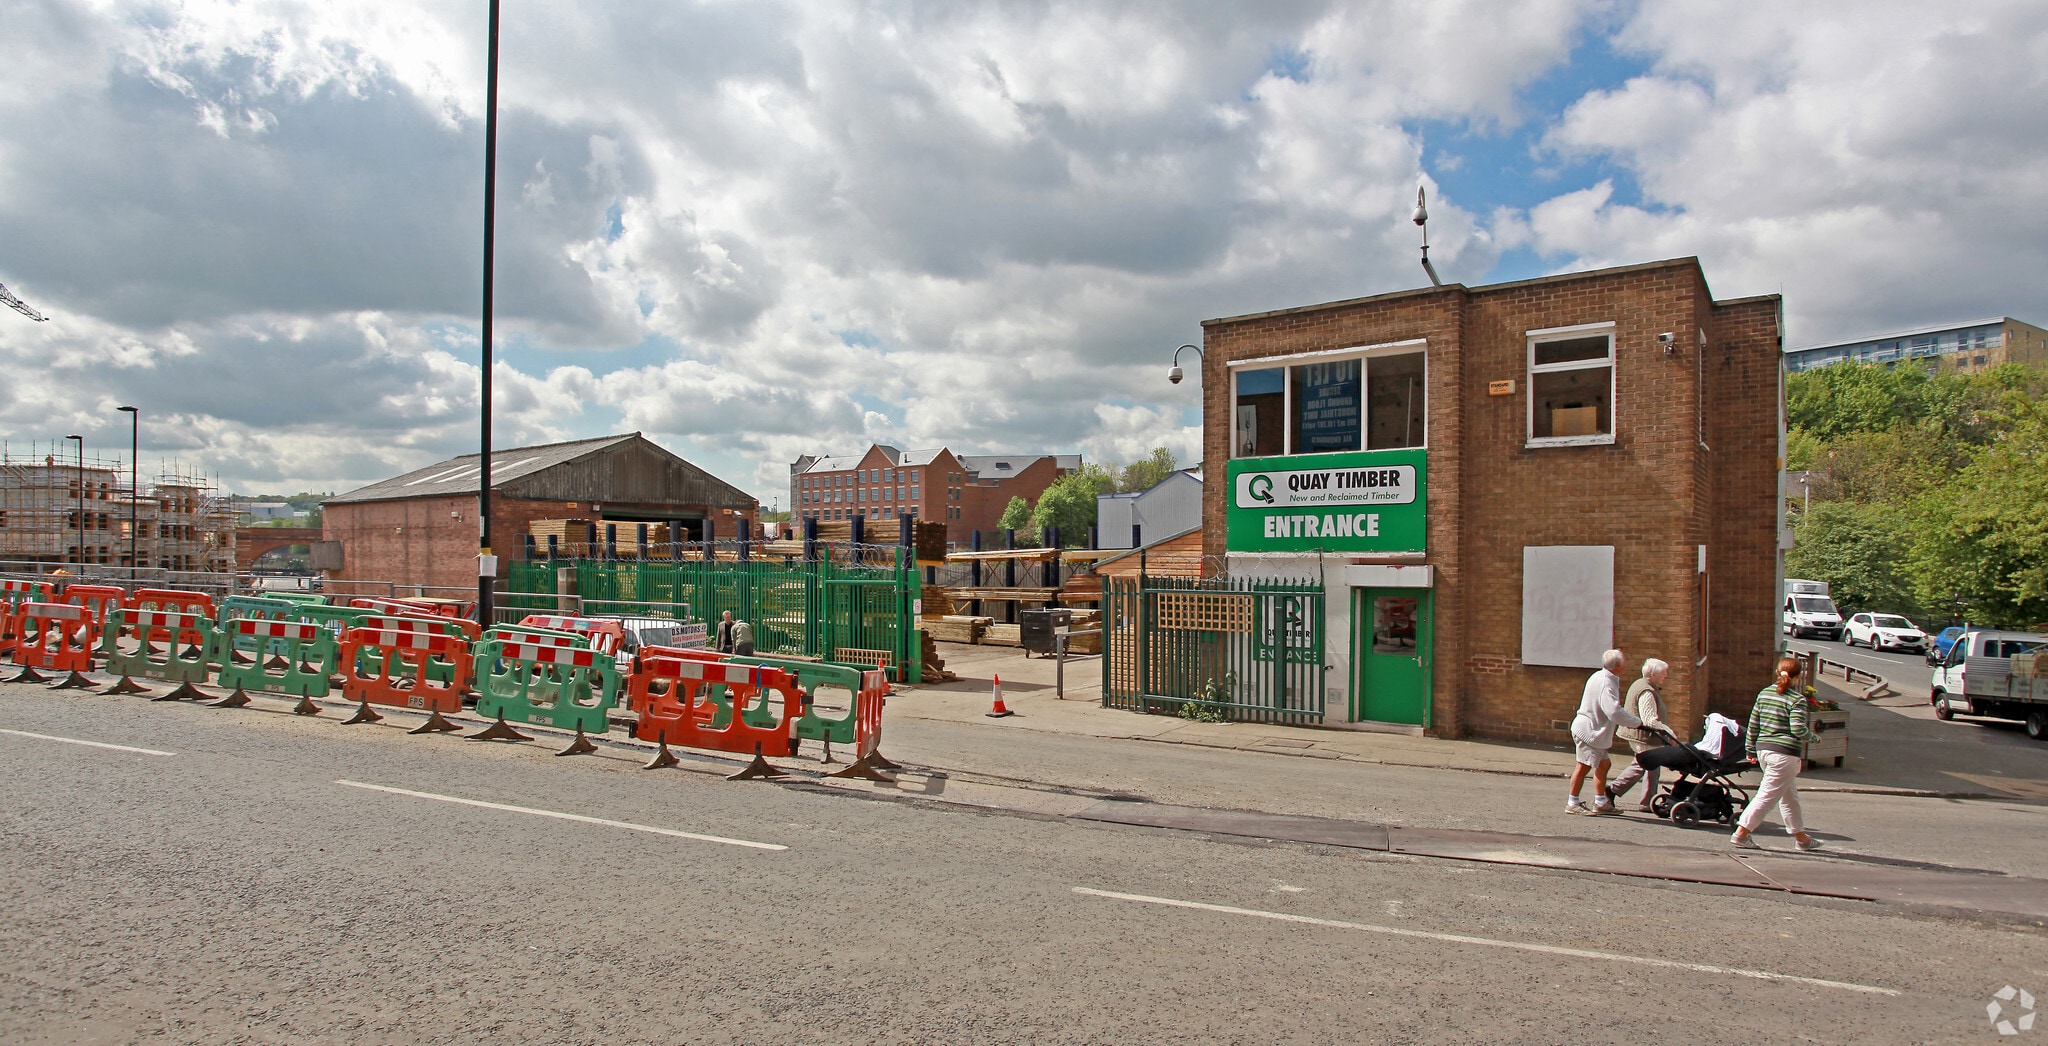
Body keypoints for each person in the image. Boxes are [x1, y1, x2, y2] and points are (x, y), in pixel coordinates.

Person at [1731, 655, 1824, 852]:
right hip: (1785, 754)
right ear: (1798, 677)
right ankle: (1741, 833)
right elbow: (1798, 729)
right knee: (1766, 795)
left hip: (1765, 751)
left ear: (1777, 673)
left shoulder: (1764, 693)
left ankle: (1802, 838)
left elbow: (1753, 724)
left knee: (1789, 796)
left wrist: (1749, 749)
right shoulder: (1797, 700)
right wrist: (1814, 738)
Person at [1567, 649, 1639, 815]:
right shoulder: (1607, 682)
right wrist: (1636, 723)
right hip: (1589, 732)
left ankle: (1600, 801)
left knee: (1603, 764)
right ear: (1618, 665)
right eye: (1625, 662)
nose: (1627, 664)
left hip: (1592, 731)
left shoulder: (1601, 676)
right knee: (1583, 766)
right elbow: (1613, 711)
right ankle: (1572, 802)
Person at [1605, 659, 1677, 811]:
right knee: (1642, 764)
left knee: (1652, 766)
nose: (1666, 676)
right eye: (1664, 673)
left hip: (1643, 736)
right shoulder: (1646, 691)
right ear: (1653, 674)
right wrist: (1669, 732)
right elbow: (1650, 720)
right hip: (1642, 737)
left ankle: (1647, 801)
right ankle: (1612, 790)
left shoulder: (1642, 684)